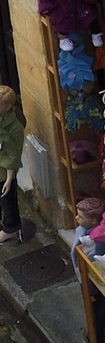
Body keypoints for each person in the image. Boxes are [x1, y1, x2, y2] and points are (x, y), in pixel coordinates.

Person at [0, 85, 34, 244]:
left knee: (8, 201)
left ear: (7, 107)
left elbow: (12, 154)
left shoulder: (14, 128)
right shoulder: (3, 119)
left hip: (4, 172)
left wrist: (9, 178)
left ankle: (11, 228)